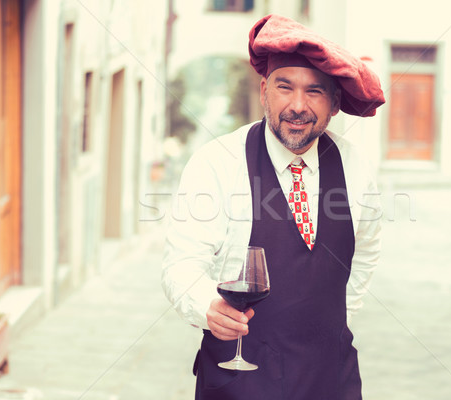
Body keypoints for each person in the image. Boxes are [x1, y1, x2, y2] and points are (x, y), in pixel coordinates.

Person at [162, 14, 385, 400]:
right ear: (265, 90)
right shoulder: (217, 162)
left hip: (330, 378)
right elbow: (181, 263)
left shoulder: (356, 166)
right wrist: (207, 307)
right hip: (240, 377)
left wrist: (329, 321)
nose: (297, 105)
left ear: (334, 103)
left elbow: (365, 252)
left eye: (314, 92)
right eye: (285, 87)